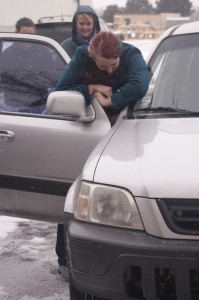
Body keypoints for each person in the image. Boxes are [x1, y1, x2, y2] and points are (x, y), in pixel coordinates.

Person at [55, 5, 101, 282]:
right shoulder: (65, 48)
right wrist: (89, 89)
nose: (84, 27)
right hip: (72, 122)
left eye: (89, 23)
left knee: (96, 198)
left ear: (95, 24)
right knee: (68, 195)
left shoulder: (104, 45)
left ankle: (94, 258)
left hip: (104, 122)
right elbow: (62, 86)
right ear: (75, 24)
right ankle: (64, 258)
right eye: (81, 23)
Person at [56, 31, 150, 125]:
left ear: (120, 55)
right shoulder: (83, 57)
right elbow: (61, 90)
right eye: (102, 66)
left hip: (126, 119)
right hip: (90, 121)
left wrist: (110, 101)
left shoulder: (131, 54)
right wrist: (91, 88)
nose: (109, 70)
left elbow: (139, 86)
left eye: (114, 64)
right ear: (93, 58)